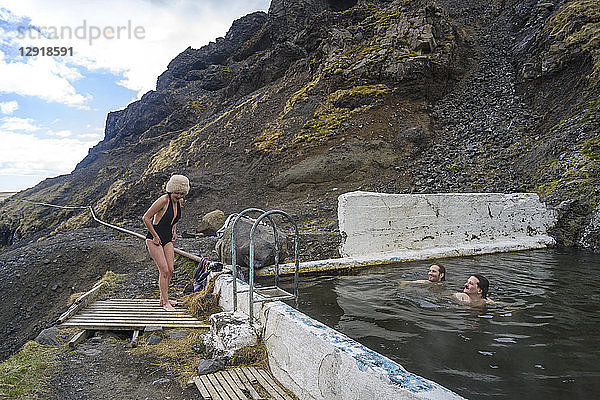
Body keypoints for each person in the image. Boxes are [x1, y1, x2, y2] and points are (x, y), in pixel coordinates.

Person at [143, 174, 189, 311]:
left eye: (181, 193)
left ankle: (164, 299)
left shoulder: (179, 202)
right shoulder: (163, 200)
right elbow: (146, 218)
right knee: (163, 270)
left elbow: (174, 219)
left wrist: (174, 230)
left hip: (168, 238)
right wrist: (155, 236)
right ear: (170, 190)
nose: (179, 196)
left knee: (170, 270)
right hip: (154, 238)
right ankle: (165, 303)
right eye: (176, 193)